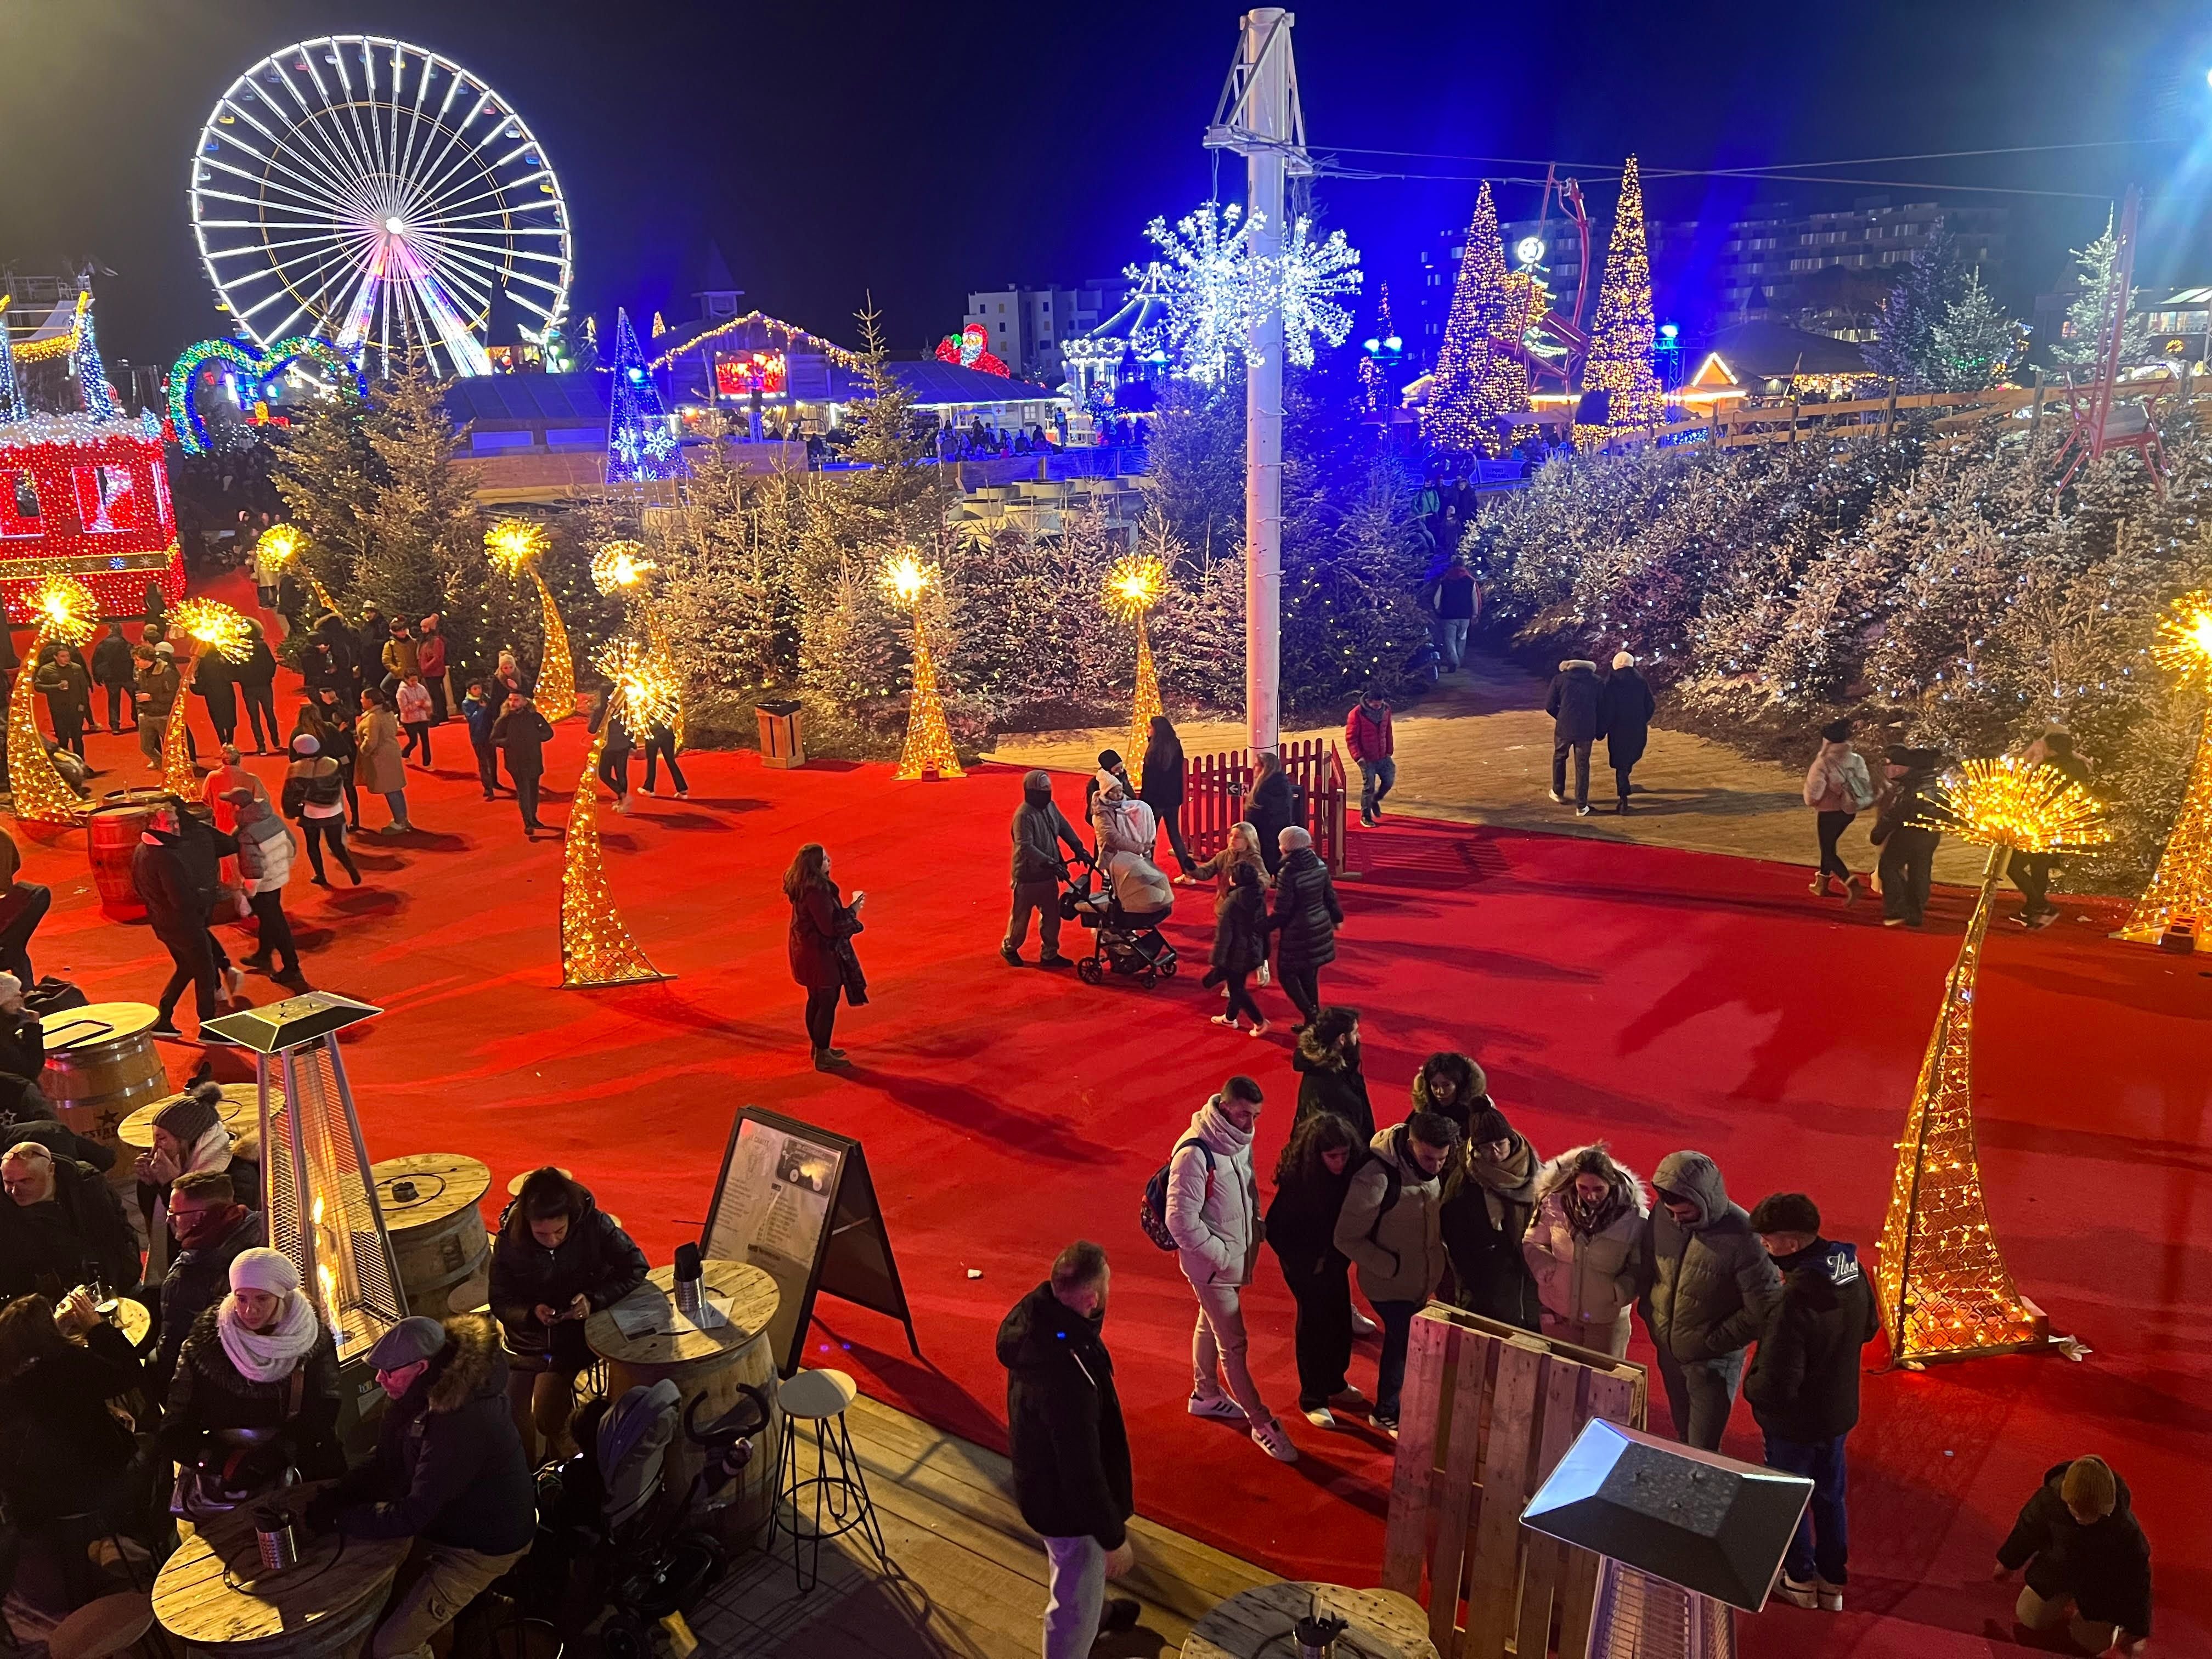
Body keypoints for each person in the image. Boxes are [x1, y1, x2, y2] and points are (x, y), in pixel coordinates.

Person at [304, 1314, 536, 1659]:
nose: (380, 1380)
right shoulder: (415, 1392)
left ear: (422, 1367)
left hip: (484, 1547)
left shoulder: (461, 1421)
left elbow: (412, 1514)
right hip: (449, 1522)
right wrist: (340, 1492)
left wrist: (341, 1519)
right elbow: (386, 1459)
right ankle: (468, 1613)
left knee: (389, 1647)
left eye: (390, 1373)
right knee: (376, 1600)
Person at [997, 1243, 1141, 1659]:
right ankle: (1079, 1632)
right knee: (1072, 1601)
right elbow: (1082, 1470)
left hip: (1039, 1482)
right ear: (1092, 1298)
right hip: (1066, 1508)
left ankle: (1097, 1614)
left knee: (1075, 1575)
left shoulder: (1037, 1322)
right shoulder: (1068, 1371)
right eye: (1108, 1283)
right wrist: (1114, 1538)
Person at [1742, 1192, 1878, 1612]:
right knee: (1830, 1496)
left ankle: (1799, 1578)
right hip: (1837, 1412)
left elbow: (1777, 1385)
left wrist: (1751, 1387)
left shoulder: (1794, 1299)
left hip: (1795, 1425)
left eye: (1770, 1241)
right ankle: (1832, 1581)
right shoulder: (1851, 1270)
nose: (1766, 1249)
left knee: (1792, 1497)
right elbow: (1870, 1328)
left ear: (1793, 1243)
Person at [1163, 1076, 1297, 1462]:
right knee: (1234, 1345)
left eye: (1254, 1116)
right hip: (1214, 1268)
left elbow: (1248, 1189)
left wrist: (1253, 1231)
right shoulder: (1194, 1154)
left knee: (1210, 1322)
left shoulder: (1238, 1142)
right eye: (1242, 1114)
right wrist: (1222, 1257)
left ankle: (1205, 1395)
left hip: (1232, 1260)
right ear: (1224, 1108)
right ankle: (1262, 1423)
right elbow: (1181, 1222)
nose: (1249, 1123)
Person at [0, 1289, 152, 1606]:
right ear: (47, 1336)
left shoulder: (9, 1386)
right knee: (155, 1445)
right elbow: (129, 1373)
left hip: (45, 1508)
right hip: (100, 1487)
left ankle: (101, 1541)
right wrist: (97, 1328)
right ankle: (137, 1534)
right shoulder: (68, 1365)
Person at [487, 1167, 648, 1462]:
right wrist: (530, 1313)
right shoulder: (511, 1240)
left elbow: (636, 1267)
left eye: (559, 1232)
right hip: (528, 1339)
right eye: (541, 1234)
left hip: (577, 1338)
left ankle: (573, 1457)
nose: (551, 1240)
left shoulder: (593, 1225)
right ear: (527, 1222)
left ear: (570, 1217)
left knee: (546, 1415)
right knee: (509, 1414)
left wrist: (593, 1299)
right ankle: (532, 1474)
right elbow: (499, 1298)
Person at [159, 1247, 343, 1488]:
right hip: (227, 1475)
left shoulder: (311, 1340)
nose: (249, 1310)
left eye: (262, 1299)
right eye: (241, 1298)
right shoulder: (206, 1346)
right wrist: (223, 1463)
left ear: (281, 1297)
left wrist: (280, 1453)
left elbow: (323, 1410)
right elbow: (175, 1428)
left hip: (296, 1464)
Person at [1639, 1149, 1782, 1451]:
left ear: (1705, 1200)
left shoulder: (1746, 1237)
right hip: (1670, 1353)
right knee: (1682, 1434)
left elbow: (1763, 1309)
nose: (1677, 1220)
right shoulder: (1662, 1216)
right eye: (1671, 1212)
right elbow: (1650, 1265)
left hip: (1712, 1365)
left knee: (1703, 1449)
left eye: (1685, 1213)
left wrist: (1712, 1343)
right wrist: (1652, 1318)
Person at [1334, 1111, 1457, 1436]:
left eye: (1443, 1159)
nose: (1436, 1167)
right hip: (1390, 1285)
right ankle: (1386, 1410)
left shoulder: (1426, 1168)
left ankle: (1400, 1403)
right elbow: (1345, 1236)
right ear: (1412, 1143)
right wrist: (1390, 1266)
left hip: (1418, 1279)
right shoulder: (1376, 1178)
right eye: (1429, 1158)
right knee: (1402, 1343)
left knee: (1410, 1343)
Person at [1266, 1110, 1367, 1429]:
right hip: (1305, 1265)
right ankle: (1313, 1397)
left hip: (1334, 1259)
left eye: (1344, 1154)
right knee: (1314, 1324)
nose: (1339, 1162)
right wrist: (1310, 1264)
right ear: (1317, 1155)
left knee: (1339, 1319)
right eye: (1332, 1156)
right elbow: (1277, 1231)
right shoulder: (1299, 1182)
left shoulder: (1350, 1171)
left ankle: (1335, 1382)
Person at [1993, 1456, 2153, 1656]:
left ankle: (2104, 1624)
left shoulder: (2125, 1529)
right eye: (2077, 1512)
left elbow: (2139, 1581)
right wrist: (2007, 1563)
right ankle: (2063, 1601)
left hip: (2099, 1587)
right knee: (2030, 1618)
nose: (2083, 1520)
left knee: (2092, 1642)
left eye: (2092, 1515)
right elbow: (2027, 1530)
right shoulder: (2049, 1500)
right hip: (2057, 1573)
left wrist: (2136, 1629)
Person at [133, 797, 242, 1045]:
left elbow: (139, 888)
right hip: (185, 925)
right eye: (169, 823)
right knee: (205, 971)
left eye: (175, 822)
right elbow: (182, 900)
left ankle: (164, 1017)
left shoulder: (142, 850)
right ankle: (208, 1027)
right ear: (153, 824)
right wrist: (204, 894)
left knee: (186, 968)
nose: (176, 827)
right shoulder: (166, 856)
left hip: (163, 923)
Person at [1525, 1142, 1647, 1359]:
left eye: (1598, 1189)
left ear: (1611, 1182)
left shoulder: (1634, 1219)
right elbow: (1533, 1241)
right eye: (1584, 1188)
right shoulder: (1554, 1207)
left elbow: (1641, 1266)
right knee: (1560, 1384)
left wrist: (1620, 1292)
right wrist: (1542, 1264)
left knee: (1601, 1387)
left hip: (1605, 1322)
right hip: (1559, 1316)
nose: (1590, 1196)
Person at [150, 1168, 264, 1397]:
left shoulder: (187, 1277)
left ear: (201, 1217)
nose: (170, 1219)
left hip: (214, 1377)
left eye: (175, 1213)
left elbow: (172, 1350)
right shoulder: (261, 1225)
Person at [134, 1079, 260, 1274]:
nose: (155, 1149)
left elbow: (213, 1239)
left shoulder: (237, 1175)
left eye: (162, 1139)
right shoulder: (178, 1166)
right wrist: (151, 1186)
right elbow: (158, 1231)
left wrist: (173, 1186)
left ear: (187, 1141)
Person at [1439, 1104, 1541, 1331]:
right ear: (1476, 1149)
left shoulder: (1534, 1172)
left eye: (1499, 1145)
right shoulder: (1464, 1185)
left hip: (1531, 1285)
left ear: (1511, 1140)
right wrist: (1478, 1286)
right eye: (1486, 1147)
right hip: (1488, 1291)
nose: (1494, 1153)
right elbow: (1456, 1244)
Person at [2, 1139, 141, 1297]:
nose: (14, 1191)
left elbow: (114, 1236)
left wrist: (121, 1282)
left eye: (25, 1181)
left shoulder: (87, 1183)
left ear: (51, 1170)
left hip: (111, 1279)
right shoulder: (5, 1207)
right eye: (8, 1182)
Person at [786, 842, 864, 1070]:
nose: (829, 861)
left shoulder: (803, 886)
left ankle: (819, 1046)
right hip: (820, 956)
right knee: (827, 1003)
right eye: (825, 859)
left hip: (806, 953)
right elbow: (829, 928)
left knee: (816, 1000)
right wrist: (853, 911)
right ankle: (823, 1052)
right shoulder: (817, 892)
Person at [2010, 731, 2092, 929]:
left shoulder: (2049, 769)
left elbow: (2030, 790)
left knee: (2013, 866)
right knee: (2040, 866)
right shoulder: (2078, 766)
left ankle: (2042, 906)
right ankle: (2032, 910)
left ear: (2052, 749)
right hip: (2061, 823)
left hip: (2040, 824)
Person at [1004, 769, 1084, 968]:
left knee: (1052, 917)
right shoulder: (1023, 816)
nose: (1047, 794)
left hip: (1048, 875)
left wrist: (1079, 848)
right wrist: (1052, 863)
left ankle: (1050, 953)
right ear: (1031, 792)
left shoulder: (1050, 807)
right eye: (1042, 791)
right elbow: (1025, 847)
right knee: (1020, 920)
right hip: (1027, 877)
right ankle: (1010, 947)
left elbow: (1064, 827)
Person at [1267, 826, 1341, 1030]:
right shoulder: (1319, 864)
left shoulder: (1288, 872)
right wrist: (1337, 917)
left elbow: (1282, 912)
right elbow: (1330, 896)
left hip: (1298, 933)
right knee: (1309, 975)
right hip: (1319, 926)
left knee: (1287, 975)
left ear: (1285, 847)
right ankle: (1313, 1022)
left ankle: (1312, 1014)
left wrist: (1261, 927)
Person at [231, 791, 302, 983]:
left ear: (238, 808)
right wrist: (282, 868)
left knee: (276, 922)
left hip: (263, 884)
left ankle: (292, 967)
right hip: (277, 877)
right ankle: (264, 954)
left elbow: (253, 871)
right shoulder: (272, 819)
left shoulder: (247, 835)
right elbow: (292, 845)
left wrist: (248, 894)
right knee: (269, 917)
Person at [1804, 718, 1877, 903]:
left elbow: (1814, 795)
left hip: (1828, 812)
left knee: (1828, 850)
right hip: (1848, 812)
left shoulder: (1823, 763)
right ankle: (1822, 884)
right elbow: (1865, 783)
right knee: (1829, 845)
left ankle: (1850, 882)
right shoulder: (1856, 759)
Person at [1872, 747, 1945, 929]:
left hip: (1908, 833)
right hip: (1931, 835)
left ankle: (1898, 908)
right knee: (1920, 871)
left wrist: (1878, 834)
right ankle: (1915, 913)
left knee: (1889, 867)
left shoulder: (1911, 786)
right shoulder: (1938, 785)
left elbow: (1895, 813)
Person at [283, 733, 361, 887]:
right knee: (336, 845)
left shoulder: (295, 769)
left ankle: (320, 875)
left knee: (313, 845)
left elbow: (289, 794)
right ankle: (351, 868)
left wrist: (291, 811)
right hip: (333, 810)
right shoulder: (333, 763)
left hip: (310, 812)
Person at [1091, 771, 1172, 917]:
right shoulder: (1102, 813)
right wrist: (1140, 848)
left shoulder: (1126, 804)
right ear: (1106, 793)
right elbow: (1113, 838)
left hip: (1128, 857)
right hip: (1113, 857)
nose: (1119, 795)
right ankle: (1110, 921)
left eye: (1120, 791)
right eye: (1114, 792)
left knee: (1128, 889)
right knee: (1114, 891)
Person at [1204, 860, 1270, 1035]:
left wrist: (1217, 959)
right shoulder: (1258, 896)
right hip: (1254, 949)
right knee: (1237, 984)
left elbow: (1224, 934)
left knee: (1237, 989)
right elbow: (1264, 926)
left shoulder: (1232, 901)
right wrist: (1265, 951)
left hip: (1235, 953)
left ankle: (1259, 1021)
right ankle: (1230, 1018)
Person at [1292, 1006, 1372, 1137]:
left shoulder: (1323, 1065)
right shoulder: (1332, 1088)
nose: (1359, 1036)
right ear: (1342, 1039)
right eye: (1355, 1032)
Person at [1599, 652, 1655, 813]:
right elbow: (1650, 705)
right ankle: (1625, 785)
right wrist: (1642, 719)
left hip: (1618, 728)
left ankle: (1623, 799)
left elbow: (1607, 709)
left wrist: (1602, 730)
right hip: (1637, 727)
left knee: (1621, 762)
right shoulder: (1641, 682)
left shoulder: (1610, 683)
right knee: (1630, 756)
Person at [492, 693, 555, 837]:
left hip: (533, 759)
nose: (513, 703)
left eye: (516, 700)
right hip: (516, 762)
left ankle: (533, 817)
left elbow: (548, 733)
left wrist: (534, 738)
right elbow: (494, 739)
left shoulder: (535, 717)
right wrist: (509, 742)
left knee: (533, 791)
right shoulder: (505, 720)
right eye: (511, 700)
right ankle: (528, 822)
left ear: (525, 702)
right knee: (523, 792)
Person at [1545, 657, 1602, 815]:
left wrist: (1562, 716)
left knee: (1560, 757)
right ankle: (1582, 805)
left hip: (1564, 728)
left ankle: (1558, 792)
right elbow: (1602, 706)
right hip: (1586, 729)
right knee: (1583, 765)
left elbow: (1549, 705)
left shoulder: (1560, 679)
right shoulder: (1597, 681)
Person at [1139, 716, 1192, 873]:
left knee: (1150, 837)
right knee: (1175, 835)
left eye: (1149, 728)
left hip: (1155, 801)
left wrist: (1143, 801)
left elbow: (1149, 780)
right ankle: (1188, 872)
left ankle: (1149, 871)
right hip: (1172, 799)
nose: (1147, 731)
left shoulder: (1154, 751)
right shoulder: (1176, 746)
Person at [0, 827, 53, 986]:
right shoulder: (3, 834)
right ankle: (28, 992)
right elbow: (16, 865)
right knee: (15, 949)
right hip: (9, 910)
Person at [356, 686, 411, 833]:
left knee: (390, 790)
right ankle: (403, 818)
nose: (361, 701)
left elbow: (371, 742)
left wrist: (362, 750)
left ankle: (400, 822)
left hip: (381, 757)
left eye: (363, 698)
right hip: (391, 752)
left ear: (370, 700)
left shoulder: (372, 718)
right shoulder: (387, 712)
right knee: (396, 788)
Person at [1345, 688, 1396, 828]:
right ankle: (1366, 816)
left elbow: (1388, 730)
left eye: (1381, 704)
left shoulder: (1386, 710)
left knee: (1389, 780)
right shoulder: (1356, 714)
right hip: (1366, 759)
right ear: (1368, 701)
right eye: (1376, 705)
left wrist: (1389, 749)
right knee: (1369, 787)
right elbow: (1351, 738)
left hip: (1383, 755)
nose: (1379, 707)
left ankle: (1375, 799)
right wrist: (1358, 757)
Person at [1409, 1051, 1485, 1143]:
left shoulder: (1476, 1116)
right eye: (1435, 1085)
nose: (1440, 1092)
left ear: (1460, 1084)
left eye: (1446, 1085)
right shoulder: (1424, 1110)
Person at [34, 643, 92, 759]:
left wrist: (83, 705)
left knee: (77, 737)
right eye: (63, 656)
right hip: (58, 710)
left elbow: (83, 688)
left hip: (75, 709)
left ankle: (81, 763)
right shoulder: (46, 670)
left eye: (67, 656)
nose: (67, 659)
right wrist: (56, 687)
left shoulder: (76, 668)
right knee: (62, 738)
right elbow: (38, 686)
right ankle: (67, 764)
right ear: (56, 657)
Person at [134, 642, 182, 772]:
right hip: (147, 715)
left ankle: (175, 772)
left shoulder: (167, 672)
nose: (136, 663)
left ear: (147, 660)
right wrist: (140, 710)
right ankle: (165, 770)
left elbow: (173, 696)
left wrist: (151, 698)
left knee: (172, 748)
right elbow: (140, 692)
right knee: (145, 747)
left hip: (163, 716)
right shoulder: (142, 673)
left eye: (138, 660)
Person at [235, 620, 280, 754]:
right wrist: (268, 678)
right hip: (264, 686)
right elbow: (271, 664)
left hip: (248, 688)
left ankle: (261, 745)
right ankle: (275, 741)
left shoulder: (240, 647)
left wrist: (242, 679)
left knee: (254, 717)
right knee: (269, 713)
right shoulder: (262, 646)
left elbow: (235, 668)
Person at [1246, 750, 1294, 876]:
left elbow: (1260, 813)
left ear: (1265, 768)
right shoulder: (1280, 783)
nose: (1253, 768)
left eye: (1257, 765)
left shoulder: (1266, 787)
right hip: (1274, 830)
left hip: (1266, 832)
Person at [1430, 554, 1479, 671]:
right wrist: (1475, 614)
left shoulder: (1445, 580)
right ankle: (1459, 660)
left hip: (1448, 615)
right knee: (1462, 639)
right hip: (1465, 616)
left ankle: (1454, 661)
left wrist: (1438, 609)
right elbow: (1475, 598)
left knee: (1449, 641)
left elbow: (1437, 598)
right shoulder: (1470, 581)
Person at [590, 685, 634, 814]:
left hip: (608, 747)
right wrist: (631, 744)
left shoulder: (600, 711)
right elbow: (631, 728)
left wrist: (597, 718)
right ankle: (622, 798)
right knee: (621, 774)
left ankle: (622, 795)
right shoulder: (625, 710)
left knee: (604, 774)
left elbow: (592, 729)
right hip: (623, 746)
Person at [93, 622, 136, 735]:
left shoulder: (102, 645)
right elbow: (134, 660)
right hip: (127, 676)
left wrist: (97, 676)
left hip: (110, 677)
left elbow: (96, 661)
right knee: (135, 697)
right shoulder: (127, 645)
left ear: (110, 631)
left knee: (113, 700)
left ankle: (115, 725)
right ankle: (136, 719)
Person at [194, 639, 240, 748]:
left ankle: (222, 741)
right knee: (229, 716)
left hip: (211, 692)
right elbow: (233, 673)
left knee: (216, 717)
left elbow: (199, 677)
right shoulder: (225, 658)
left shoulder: (203, 660)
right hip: (226, 691)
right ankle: (230, 742)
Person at [461, 680, 502, 801]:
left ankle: (494, 781)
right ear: (469, 690)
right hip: (478, 735)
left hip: (490, 733)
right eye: (475, 689)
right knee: (483, 762)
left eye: (479, 688)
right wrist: (482, 709)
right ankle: (488, 788)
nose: (478, 691)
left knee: (493, 759)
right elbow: (472, 719)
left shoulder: (486, 698)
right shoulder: (467, 703)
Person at [639, 703, 686, 798]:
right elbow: (675, 710)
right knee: (671, 762)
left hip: (653, 735)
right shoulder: (665, 699)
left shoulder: (647, 701)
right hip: (667, 735)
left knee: (652, 762)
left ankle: (649, 789)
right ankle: (682, 790)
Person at [396, 669, 435, 768]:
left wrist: (425, 705)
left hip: (422, 718)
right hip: (409, 721)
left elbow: (428, 701)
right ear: (406, 680)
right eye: (412, 680)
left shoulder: (421, 688)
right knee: (414, 741)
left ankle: (427, 763)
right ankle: (405, 753)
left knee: (426, 741)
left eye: (416, 680)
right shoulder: (402, 692)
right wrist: (417, 704)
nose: (415, 683)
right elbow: (404, 709)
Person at [415, 614, 450, 724]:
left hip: (434, 672)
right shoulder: (426, 641)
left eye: (425, 627)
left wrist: (426, 667)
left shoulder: (436, 641)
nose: (422, 630)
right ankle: (442, 714)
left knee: (436, 695)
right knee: (436, 694)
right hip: (429, 672)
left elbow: (438, 657)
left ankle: (438, 716)